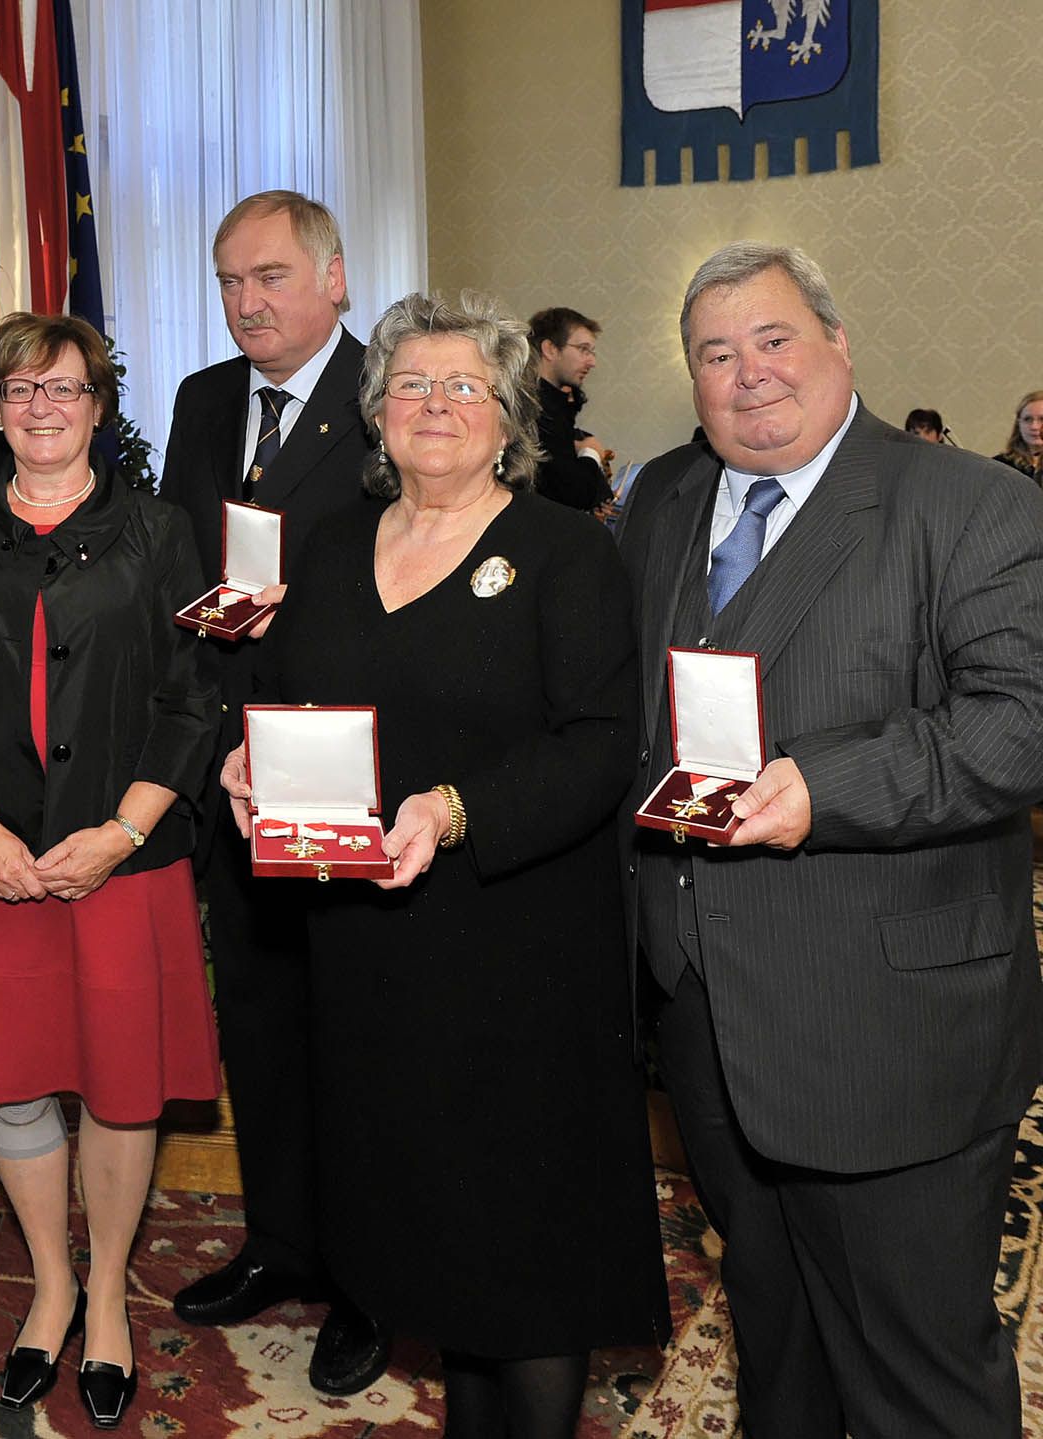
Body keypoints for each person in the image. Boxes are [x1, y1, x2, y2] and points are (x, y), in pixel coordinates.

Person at [217, 290, 668, 1430]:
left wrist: (455, 808)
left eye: (464, 383)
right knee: (428, 1227)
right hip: (366, 950)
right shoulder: (328, 547)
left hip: (512, 946)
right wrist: (243, 761)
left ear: (508, 413)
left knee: (519, 1242)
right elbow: (282, 697)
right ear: (375, 413)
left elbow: (597, 743)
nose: (434, 403)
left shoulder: (562, 549)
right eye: (410, 382)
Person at [623, 242, 1043, 1437]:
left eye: (771, 340)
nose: (746, 375)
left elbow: (1018, 722)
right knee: (777, 1330)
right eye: (714, 353)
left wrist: (830, 786)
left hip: (886, 1030)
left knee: (916, 1371)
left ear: (836, 342)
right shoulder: (656, 498)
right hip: (699, 1006)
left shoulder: (968, 504)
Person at [0, 313, 220, 1430]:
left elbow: (191, 699)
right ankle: (52, 1281)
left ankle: (112, 1288)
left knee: (120, 1082)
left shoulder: (161, 528)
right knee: (16, 1077)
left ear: (97, 406)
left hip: (120, 858)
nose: (42, 407)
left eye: (65, 389)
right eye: (20, 388)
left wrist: (122, 831)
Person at [153, 189, 389, 1396]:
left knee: (352, 1028)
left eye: (271, 277)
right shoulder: (200, 401)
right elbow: (184, 571)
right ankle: (280, 1242)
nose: (248, 302)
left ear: (334, 278)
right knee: (253, 1012)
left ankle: (367, 1280)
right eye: (229, 282)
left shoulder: (391, 394)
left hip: (346, 765)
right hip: (225, 772)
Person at [527, 306, 615, 511]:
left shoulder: (553, 403)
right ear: (550, 349)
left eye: (591, 351)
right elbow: (574, 493)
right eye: (583, 349)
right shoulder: (537, 409)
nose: (592, 361)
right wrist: (590, 452)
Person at [994, 388, 1043, 480]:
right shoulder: (998, 466)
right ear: (1018, 424)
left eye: (1042, 419)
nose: (1034, 426)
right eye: (1028, 419)